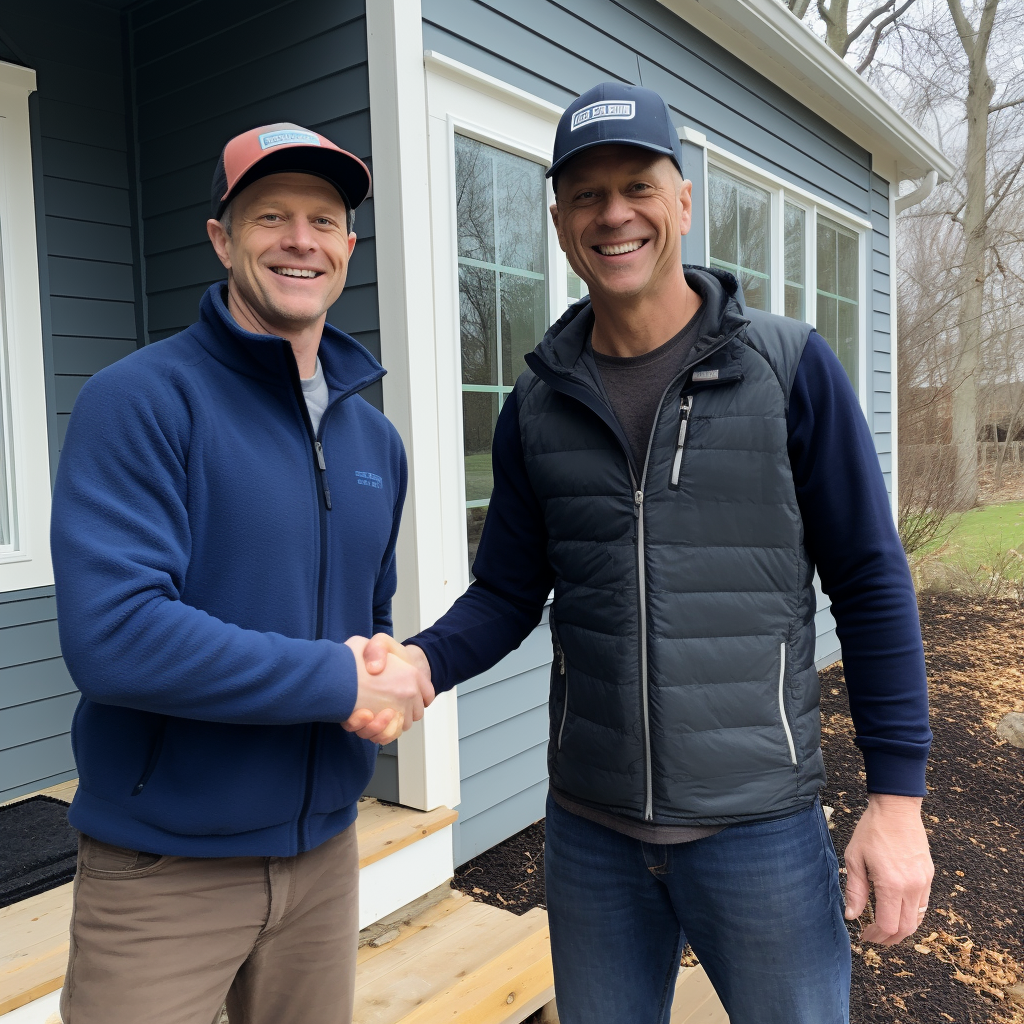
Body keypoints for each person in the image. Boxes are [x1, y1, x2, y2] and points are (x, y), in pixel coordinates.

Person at [351, 84, 933, 1024]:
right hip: (592, 836)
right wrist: (418, 663)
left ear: (683, 199)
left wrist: (897, 799)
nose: (613, 213)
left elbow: (869, 582)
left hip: (762, 829)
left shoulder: (786, 369)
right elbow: (506, 592)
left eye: (637, 185)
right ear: (558, 220)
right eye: (586, 195)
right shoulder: (539, 404)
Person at [50, 122, 432, 1024]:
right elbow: (116, 639)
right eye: (269, 216)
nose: (300, 239)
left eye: (323, 219)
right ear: (222, 237)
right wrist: (338, 678)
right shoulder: (140, 402)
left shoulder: (375, 440)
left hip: (326, 860)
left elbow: (362, 618)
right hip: (163, 873)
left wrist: (381, 675)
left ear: (347, 246)